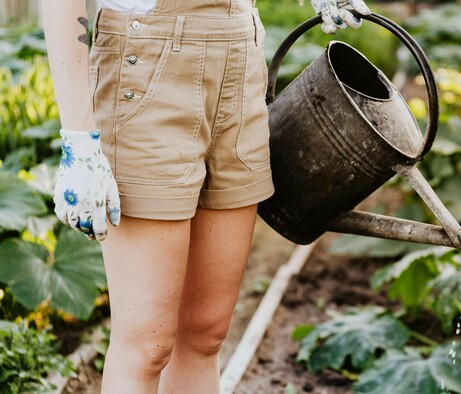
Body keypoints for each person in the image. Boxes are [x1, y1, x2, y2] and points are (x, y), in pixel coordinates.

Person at [40, 0, 370, 392]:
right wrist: (78, 136)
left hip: (240, 55)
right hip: (147, 65)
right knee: (147, 345)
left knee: (206, 333)